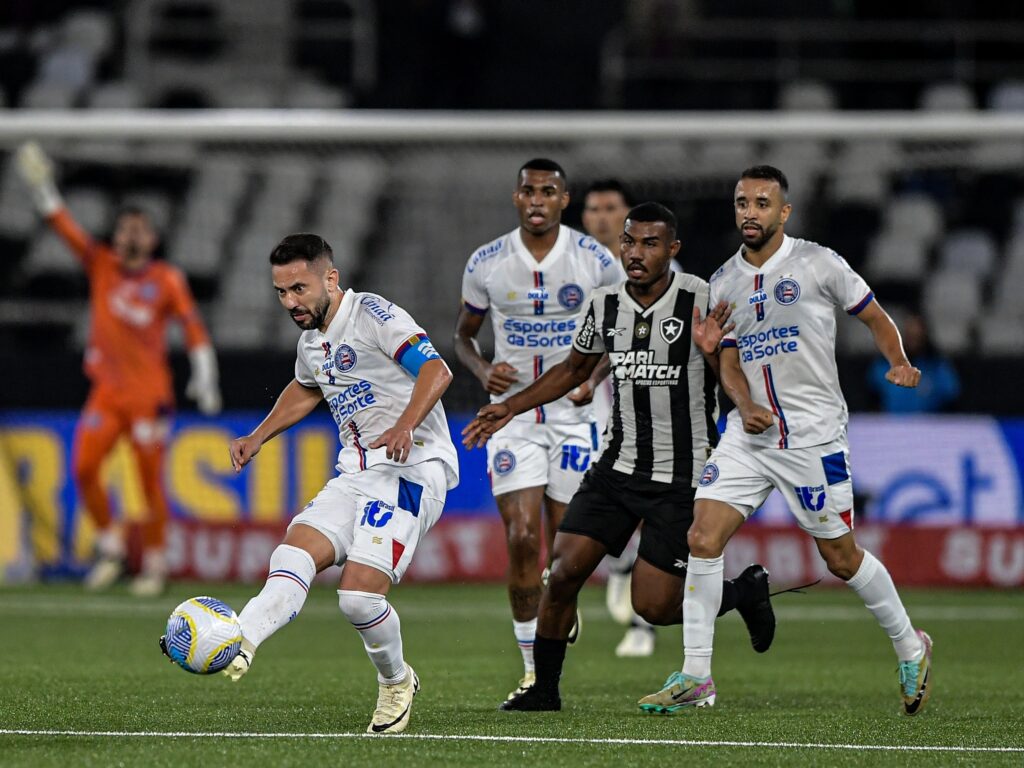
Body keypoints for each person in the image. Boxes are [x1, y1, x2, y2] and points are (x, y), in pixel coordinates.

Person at [463, 202, 775, 713]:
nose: (635, 253)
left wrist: (722, 365)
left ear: (671, 250)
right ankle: (545, 689)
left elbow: (731, 370)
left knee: (652, 606)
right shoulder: (604, 302)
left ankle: (744, 592)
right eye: (630, 242)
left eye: (650, 244)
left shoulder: (700, 297)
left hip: (682, 475)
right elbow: (572, 369)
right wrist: (508, 407)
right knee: (561, 573)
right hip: (616, 468)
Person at [644, 165, 933, 716]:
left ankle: (910, 646)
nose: (749, 212)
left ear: (784, 212)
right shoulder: (723, 281)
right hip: (748, 436)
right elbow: (728, 358)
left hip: (812, 436)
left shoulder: (818, 262)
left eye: (761, 203)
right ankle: (697, 675)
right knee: (702, 537)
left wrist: (898, 360)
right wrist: (742, 400)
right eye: (741, 203)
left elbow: (874, 316)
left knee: (842, 558)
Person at [206, 234, 459, 735]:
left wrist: (406, 423)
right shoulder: (312, 342)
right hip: (357, 472)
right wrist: (258, 436)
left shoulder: (374, 316)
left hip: (414, 468)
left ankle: (396, 682)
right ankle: (241, 639)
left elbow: (436, 368)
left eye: (298, 289)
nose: (289, 303)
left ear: (330, 278)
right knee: (293, 554)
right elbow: (305, 388)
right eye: (281, 292)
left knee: (359, 599)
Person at [15, 141, 222, 597]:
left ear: (151, 238)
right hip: (107, 392)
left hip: (149, 397)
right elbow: (63, 225)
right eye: (125, 227)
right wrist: (43, 186)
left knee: (149, 483)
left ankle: (153, 564)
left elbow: (192, 327)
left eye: (140, 228)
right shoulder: (101, 265)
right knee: (85, 467)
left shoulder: (166, 279)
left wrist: (204, 374)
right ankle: (110, 543)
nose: (132, 235)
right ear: (116, 234)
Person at [454, 159, 624, 703]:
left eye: (548, 192)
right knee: (523, 538)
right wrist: (483, 370)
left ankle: (557, 606)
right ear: (516, 197)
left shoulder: (596, 260)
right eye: (528, 190)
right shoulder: (486, 263)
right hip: (511, 417)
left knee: (567, 556)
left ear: (563, 200)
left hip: (576, 418)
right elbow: (462, 337)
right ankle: (532, 668)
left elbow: (623, 334)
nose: (537, 200)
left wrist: (592, 378)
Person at [582, 178, 656, 658]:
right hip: (587, 411)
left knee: (652, 510)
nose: (602, 217)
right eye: (593, 209)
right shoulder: (576, 267)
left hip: (649, 408)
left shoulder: (661, 268)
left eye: (611, 208)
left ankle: (643, 621)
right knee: (595, 515)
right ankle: (622, 565)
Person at [868, 312, 959, 413]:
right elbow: (872, 401)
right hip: (890, 426)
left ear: (925, 335)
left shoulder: (939, 367)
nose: (913, 341)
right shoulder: (883, 365)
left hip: (930, 426)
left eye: (917, 337)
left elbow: (951, 400)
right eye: (909, 336)